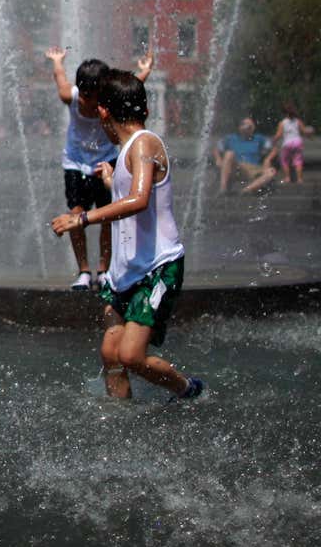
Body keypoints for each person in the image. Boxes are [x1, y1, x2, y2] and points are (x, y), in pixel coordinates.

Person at [51, 69, 204, 402]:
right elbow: (132, 193)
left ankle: (188, 389)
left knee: (131, 356)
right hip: (126, 271)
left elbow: (139, 199)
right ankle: (121, 418)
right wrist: (110, 181)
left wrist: (83, 219)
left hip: (156, 267)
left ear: (103, 111)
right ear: (145, 109)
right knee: (111, 353)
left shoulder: (145, 143)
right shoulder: (126, 153)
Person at [44, 47, 153, 290]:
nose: (84, 101)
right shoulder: (70, 97)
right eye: (82, 94)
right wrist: (58, 61)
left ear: (102, 94)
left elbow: (132, 86)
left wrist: (144, 71)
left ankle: (104, 270)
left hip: (106, 161)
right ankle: (84, 271)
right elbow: (60, 79)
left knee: (107, 216)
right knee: (76, 213)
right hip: (74, 162)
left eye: (89, 97)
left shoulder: (108, 100)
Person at [216, 116, 277, 194]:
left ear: (253, 127)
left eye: (250, 125)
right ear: (239, 127)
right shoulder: (231, 138)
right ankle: (223, 189)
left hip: (254, 168)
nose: (248, 127)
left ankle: (246, 190)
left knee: (271, 171)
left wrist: (268, 159)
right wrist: (218, 159)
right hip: (238, 167)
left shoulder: (259, 138)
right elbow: (217, 148)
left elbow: (274, 149)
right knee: (229, 154)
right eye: (245, 125)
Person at [274, 102, 315, 184]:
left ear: (284, 113)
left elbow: (279, 134)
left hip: (287, 143)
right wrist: (310, 136)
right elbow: (304, 131)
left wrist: (273, 141)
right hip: (297, 142)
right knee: (298, 160)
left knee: (285, 160)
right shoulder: (298, 121)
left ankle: (287, 177)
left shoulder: (282, 123)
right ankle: (299, 179)